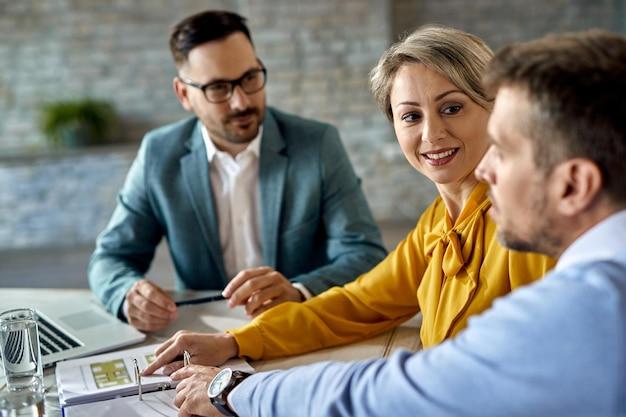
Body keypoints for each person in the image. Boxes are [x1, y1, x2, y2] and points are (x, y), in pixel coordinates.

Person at [170, 29, 626, 417]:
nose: (431, 135)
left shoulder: (538, 234)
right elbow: (359, 303)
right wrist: (236, 341)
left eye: (452, 108)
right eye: (410, 116)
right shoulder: (436, 224)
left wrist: (234, 390)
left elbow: (406, 392)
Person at [88, 10, 387, 331]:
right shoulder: (159, 154)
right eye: (218, 88)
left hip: (296, 329)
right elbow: (110, 259)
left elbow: (365, 252)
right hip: (205, 336)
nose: (241, 102)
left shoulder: (317, 144)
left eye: (249, 78)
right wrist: (126, 294)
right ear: (184, 94)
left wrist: (299, 290)